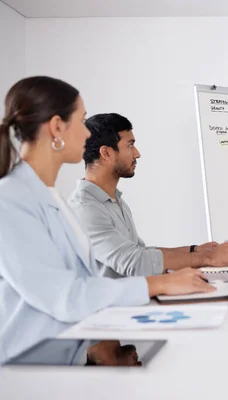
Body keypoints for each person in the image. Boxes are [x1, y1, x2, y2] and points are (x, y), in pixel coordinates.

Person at [0, 76, 214, 364]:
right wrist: (159, 284)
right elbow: (65, 296)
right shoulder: (11, 200)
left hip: (63, 358)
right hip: (27, 368)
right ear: (56, 127)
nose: (87, 135)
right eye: (81, 121)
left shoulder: (50, 197)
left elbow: (85, 284)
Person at [67, 113, 228, 278]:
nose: (137, 153)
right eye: (130, 145)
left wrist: (196, 250)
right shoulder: (85, 208)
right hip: (110, 307)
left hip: (133, 301)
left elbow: (141, 252)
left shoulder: (114, 200)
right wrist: (206, 258)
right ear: (107, 153)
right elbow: (134, 263)